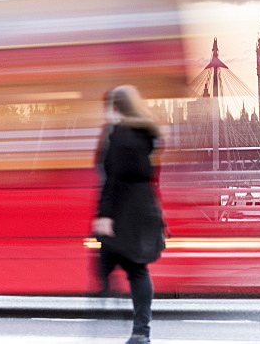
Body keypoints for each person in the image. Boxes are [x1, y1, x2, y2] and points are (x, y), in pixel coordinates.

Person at [92, 85, 166, 344]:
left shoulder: (118, 135)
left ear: (115, 107)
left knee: (110, 258)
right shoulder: (148, 133)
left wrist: (105, 214)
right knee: (138, 270)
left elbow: (114, 178)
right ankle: (141, 331)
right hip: (145, 206)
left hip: (124, 209)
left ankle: (105, 296)